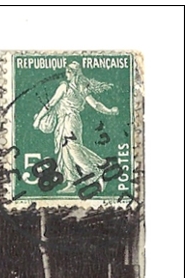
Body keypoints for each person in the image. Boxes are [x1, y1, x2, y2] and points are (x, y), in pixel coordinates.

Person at [32, 61, 119, 190]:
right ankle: (72, 182)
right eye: (67, 71)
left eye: (69, 72)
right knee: (67, 149)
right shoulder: (82, 89)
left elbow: (50, 104)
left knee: (72, 148)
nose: (66, 74)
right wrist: (109, 111)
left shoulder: (65, 87)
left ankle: (94, 172)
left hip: (69, 120)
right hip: (71, 121)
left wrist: (38, 119)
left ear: (75, 74)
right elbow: (95, 104)